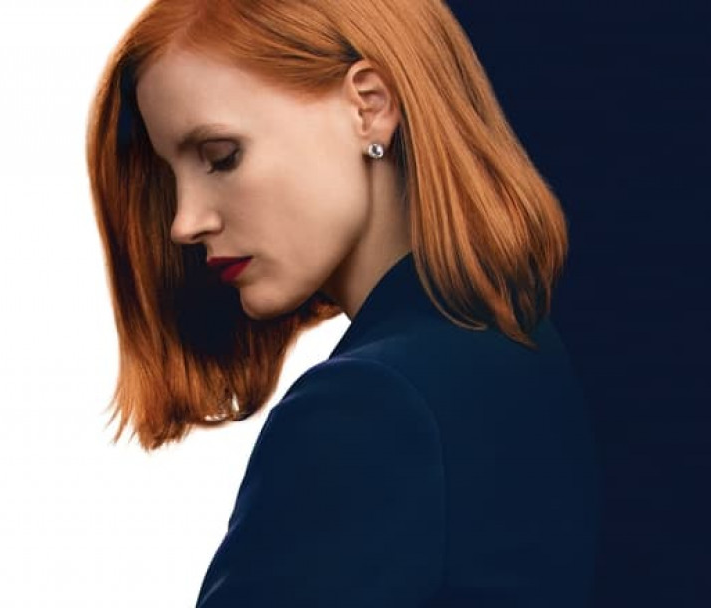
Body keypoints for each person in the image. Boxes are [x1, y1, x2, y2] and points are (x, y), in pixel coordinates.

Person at [84, 0, 599, 605]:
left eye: (221, 156)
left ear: (368, 108)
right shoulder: (519, 347)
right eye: (170, 175)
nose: (184, 222)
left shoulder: (372, 405)